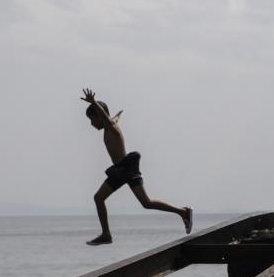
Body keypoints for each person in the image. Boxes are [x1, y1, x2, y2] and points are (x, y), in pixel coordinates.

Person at [81, 89, 192, 246]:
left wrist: (94, 103)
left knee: (100, 198)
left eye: (92, 120)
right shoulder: (110, 126)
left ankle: (106, 235)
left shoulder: (111, 127)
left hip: (126, 168)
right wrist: (118, 114)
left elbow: (109, 119)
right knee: (145, 203)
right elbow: (113, 118)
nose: (91, 124)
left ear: (100, 117)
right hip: (122, 169)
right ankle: (183, 212)